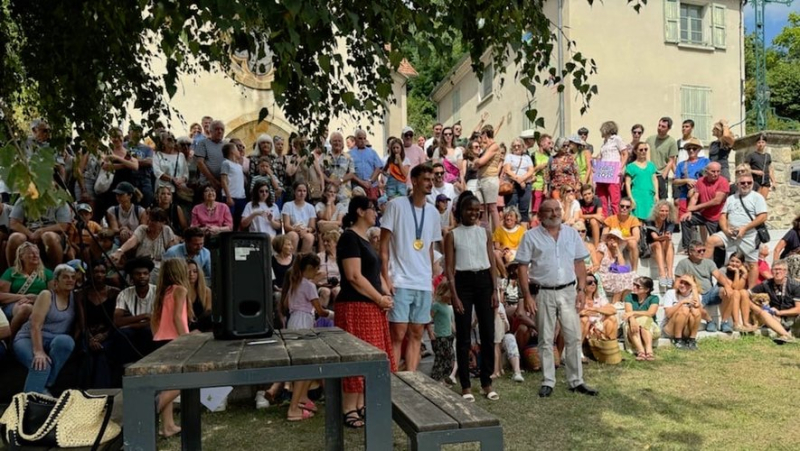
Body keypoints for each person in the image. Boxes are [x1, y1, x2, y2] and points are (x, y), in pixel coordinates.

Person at [514, 199, 597, 398]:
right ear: (540, 215)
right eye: (549, 211)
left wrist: (582, 290)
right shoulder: (530, 237)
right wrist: (527, 296)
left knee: (573, 336)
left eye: (557, 209)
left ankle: (576, 381)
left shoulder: (571, 233)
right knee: (545, 337)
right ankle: (548, 381)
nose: (554, 214)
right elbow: (522, 267)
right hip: (543, 291)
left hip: (569, 290)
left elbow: (579, 262)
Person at [335, 195, 395, 429]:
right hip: (355, 306)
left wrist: (384, 295)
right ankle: (348, 407)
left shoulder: (364, 239)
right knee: (358, 358)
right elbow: (354, 276)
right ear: (360, 211)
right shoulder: (349, 238)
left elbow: (373, 274)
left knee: (371, 358)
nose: (376, 213)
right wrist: (379, 297)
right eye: (372, 209)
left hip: (370, 306)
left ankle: (360, 404)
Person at [380, 164, 442, 372]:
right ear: (414, 181)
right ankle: (393, 385)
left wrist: (431, 281)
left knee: (417, 334)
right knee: (397, 334)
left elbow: (430, 250)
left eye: (432, 179)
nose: (430, 183)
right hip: (400, 280)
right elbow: (384, 246)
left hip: (422, 282)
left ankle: (412, 383)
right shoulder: (396, 206)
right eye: (426, 179)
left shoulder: (433, 212)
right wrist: (386, 278)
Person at [445, 191, 499, 400]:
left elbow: (492, 263)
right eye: (470, 210)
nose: (474, 214)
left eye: (477, 211)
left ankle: (486, 381)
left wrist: (495, 290)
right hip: (463, 283)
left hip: (484, 281)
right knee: (464, 335)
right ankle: (465, 385)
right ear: (461, 211)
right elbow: (449, 267)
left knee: (488, 332)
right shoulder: (452, 234)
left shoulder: (485, 233)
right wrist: (454, 294)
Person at [280, 253, 333, 422]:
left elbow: (287, 304)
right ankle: (293, 408)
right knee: (304, 366)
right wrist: (332, 315)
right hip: (303, 323)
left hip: (295, 321)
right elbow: (320, 311)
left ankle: (302, 397)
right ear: (310, 269)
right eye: (316, 269)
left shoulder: (294, 283)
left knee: (308, 363)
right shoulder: (308, 285)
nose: (317, 273)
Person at [13, 264, 78, 394]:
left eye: (72, 277)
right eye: (65, 277)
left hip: (55, 339)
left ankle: (46, 383)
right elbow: (35, 325)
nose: (70, 280)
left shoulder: (76, 297)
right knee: (41, 365)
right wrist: (38, 352)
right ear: (55, 282)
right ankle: (30, 404)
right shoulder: (46, 295)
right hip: (28, 338)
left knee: (67, 341)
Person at [150, 258, 191, 437]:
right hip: (175, 340)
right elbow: (177, 318)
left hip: (160, 339)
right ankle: (154, 406)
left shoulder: (162, 292)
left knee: (167, 383)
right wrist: (187, 339)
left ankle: (168, 426)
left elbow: (154, 320)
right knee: (184, 380)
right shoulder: (181, 290)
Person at [704, 173, 767, 289]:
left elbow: (762, 216)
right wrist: (725, 229)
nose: (746, 185)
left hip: (749, 234)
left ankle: (751, 291)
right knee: (711, 240)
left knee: (752, 263)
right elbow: (723, 216)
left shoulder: (757, 197)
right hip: (731, 233)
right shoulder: (731, 198)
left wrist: (745, 228)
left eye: (749, 183)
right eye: (743, 183)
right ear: (737, 184)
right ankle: (704, 278)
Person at [0, 242, 54, 338]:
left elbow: (54, 296)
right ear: (21, 256)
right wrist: (24, 296)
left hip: (39, 303)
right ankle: (9, 339)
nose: (35, 255)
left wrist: (37, 298)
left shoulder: (47, 273)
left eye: (37, 253)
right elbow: (2, 296)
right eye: (31, 253)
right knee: (26, 308)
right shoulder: (11, 272)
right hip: (14, 304)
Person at [111, 207, 179, 282]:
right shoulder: (142, 229)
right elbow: (132, 241)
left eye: (154, 221)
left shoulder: (166, 230)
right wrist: (120, 251)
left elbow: (172, 251)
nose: (150, 223)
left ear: (163, 222)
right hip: (141, 264)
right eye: (149, 219)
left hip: (160, 266)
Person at [676, 241, 730, 333]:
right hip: (695, 294)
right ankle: (710, 321)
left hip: (710, 292)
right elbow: (677, 282)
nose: (702, 253)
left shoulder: (709, 262)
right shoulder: (683, 263)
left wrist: (727, 286)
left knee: (729, 292)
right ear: (691, 252)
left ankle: (725, 322)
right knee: (695, 304)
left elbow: (719, 276)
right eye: (699, 251)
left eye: (703, 250)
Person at [113, 257, 157, 369]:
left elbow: (157, 321)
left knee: (148, 331)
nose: (142, 276)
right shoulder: (124, 294)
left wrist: (131, 324)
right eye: (138, 274)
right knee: (122, 334)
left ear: (149, 275)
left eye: (145, 273)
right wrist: (145, 316)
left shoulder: (157, 291)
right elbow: (117, 321)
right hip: (132, 331)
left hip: (150, 329)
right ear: (131, 277)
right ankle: (127, 367)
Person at [81, 261, 120, 388]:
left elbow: (116, 320)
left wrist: (104, 335)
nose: (99, 275)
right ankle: (85, 388)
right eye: (95, 272)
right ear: (89, 274)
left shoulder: (114, 292)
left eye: (102, 272)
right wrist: (90, 338)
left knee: (103, 352)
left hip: (109, 333)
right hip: (88, 333)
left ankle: (102, 389)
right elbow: (81, 322)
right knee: (87, 352)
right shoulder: (81, 294)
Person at [680, 162, 729, 253]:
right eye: (713, 171)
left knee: (719, 247)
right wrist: (689, 211)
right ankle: (687, 248)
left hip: (716, 217)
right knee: (685, 219)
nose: (716, 174)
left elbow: (716, 201)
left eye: (718, 171)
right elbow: (695, 197)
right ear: (706, 172)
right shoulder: (700, 181)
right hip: (703, 215)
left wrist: (695, 208)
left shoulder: (723, 181)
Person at [749, 260, 800, 342]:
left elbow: (798, 309)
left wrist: (780, 313)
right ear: (771, 271)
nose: (777, 272)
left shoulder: (795, 285)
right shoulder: (766, 284)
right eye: (775, 269)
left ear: (786, 272)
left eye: (780, 269)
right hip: (775, 318)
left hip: (794, 318)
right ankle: (786, 335)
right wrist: (756, 307)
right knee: (764, 313)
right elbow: (747, 294)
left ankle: (791, 333)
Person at [594, 229, 638, 305]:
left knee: (633, 276)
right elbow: (596, 263)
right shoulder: (602, 247)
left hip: (612, 274)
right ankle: (615, 302)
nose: (612, 239)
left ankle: (624, 301)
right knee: (620, 278)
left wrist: (617, 248)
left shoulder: (615, 250)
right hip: (602, 275)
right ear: (607, 239)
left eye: (615, 238)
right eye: (610, 237)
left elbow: (622, 265)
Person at [473, 125, 504, 231]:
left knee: (492, 207)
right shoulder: (486, 148)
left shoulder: (494, 147)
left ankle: (498, 238)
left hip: (490, 179)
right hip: (482, 179)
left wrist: (476, 161)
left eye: (481, 136)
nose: (480, 140)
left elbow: (480, 162)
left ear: (485, 135)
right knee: (482, 208)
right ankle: (486, 234)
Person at [660, 275, 702, 350]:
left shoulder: (696, 295)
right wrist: (681, 303)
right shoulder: (671, 293)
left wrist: (694, 286)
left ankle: (692, 340)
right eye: (681, 282)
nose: (682, 285)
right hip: (670, 328)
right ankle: (678, 340)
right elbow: (668, 314)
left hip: (685, 329)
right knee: (684, 309)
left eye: (687, 283)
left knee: (696, 311)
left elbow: (697, 305)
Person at [623, 277, 660, 361]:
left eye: (638, 286)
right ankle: (641, 351)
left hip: (650, 328)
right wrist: (632, 320)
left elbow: (651, 313)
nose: (634, 287)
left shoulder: (654, 298)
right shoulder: (629, 297)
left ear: (647, 289)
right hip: (632, 325)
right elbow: (628, 312)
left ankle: (648, 350)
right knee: (635, 323)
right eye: (634, 284)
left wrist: (633, 313)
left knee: (644, 320)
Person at [596, 121, 627, 216]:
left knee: (614, 198)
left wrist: (620, 168)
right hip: (603, 169)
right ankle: (605, 220)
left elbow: (625, 153)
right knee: (602, 198)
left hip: (613, 169)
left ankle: (617, 220)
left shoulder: (616, 139)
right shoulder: (604, 143)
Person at [673, 138, 709, 219]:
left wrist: (696, 186)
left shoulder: (705, 161)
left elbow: (710, 176)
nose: (691, 150)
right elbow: (675, 181)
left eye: (694, 148)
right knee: (683, 219)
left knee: (703, 219)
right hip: (685, 196)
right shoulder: (681, 164)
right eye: (689, 149)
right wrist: (687, 180)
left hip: (702, 194)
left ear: (699, 150)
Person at [579, 273, 618, 349]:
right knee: (585, 320)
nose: (593, 284)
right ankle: (579, 349)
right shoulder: (579, 299)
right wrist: (582, 313)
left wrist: (596, 309)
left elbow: (613, 310)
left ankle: (610, 347)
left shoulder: (599, 298)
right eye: (589, 282)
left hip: (598, 327)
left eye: (595, 282)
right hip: (585, 329)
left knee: (612, 318)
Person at [602, 198, 641, 271]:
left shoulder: (633, 219)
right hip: (613, 242)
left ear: (630, 209)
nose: (624, 208)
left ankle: (634, 271)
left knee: (633, 242)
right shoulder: (610, 219)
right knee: (606, 244)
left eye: (627, 207)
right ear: (618, 207)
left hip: (626, 243)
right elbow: (604, 237)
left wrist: (622, 238)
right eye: (622, 206)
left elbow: (637, 237)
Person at [503, 138, 534, 226]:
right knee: (510, 209)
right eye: (514, 146)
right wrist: (519, 181)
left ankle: (523, 234)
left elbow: (531, 171)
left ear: (523, 147)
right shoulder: (509, 156)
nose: (516, 148)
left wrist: (522, 179)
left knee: (524, 211)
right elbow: (507, 170)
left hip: (526, 185)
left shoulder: (527, 157)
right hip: (513, 186)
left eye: (518, 146)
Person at [646, 200, 678, 288]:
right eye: (662, 211)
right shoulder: (650, 220)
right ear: (657, 211)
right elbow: (655, 237)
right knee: (657, 243)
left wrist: (667, 236)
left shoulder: (670, 221)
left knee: (669, 243)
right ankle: (662, 273)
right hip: (650, 245)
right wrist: (665, 236)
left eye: (666, 211)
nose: (664, 213)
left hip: (663, 244)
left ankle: (670, 273)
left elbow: (668, 234)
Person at [645, 117, 678, 201]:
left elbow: (671, 161)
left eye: (663, 126)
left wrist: (664, 176)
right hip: (649, 174)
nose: (659, 128)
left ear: (668, 128)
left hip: (661, 175)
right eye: (659, 125)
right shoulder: (650, 139)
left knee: (661, 201)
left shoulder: (671, 142)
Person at [721, 251, 755, 332]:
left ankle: (745, 322)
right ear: (729, 261)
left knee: (744, 292)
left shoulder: (743, 271)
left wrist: (745, 274)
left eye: (737, 262)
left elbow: (740, 288)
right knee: (735, 293)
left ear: (742, 264)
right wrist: (736, 272)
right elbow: (735, 288)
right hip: (724, 294)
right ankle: (736, 323)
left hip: (735, 293)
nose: (734, 264)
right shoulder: (723, 270)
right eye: (732, 261)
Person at [429, 280, 455, 384]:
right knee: (440, 358)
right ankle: (436, 378)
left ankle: (444, 377)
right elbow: (429, 318)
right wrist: (430, 332)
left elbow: (450, 322)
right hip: (439, 336)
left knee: (449, 357)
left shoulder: (448, 307)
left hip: (448, 335)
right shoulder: (436, 305)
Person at [625, 142, 658, 221]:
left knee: (650, 219)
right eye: (641, 150)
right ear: (636, 151)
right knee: (637, 221)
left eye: (645, 149)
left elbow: (654, 180)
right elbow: (627, 183)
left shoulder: (651, 165)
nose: (643, 151)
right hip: (637, 196)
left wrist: (656, 194)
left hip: (649, 196)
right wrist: (631, 198)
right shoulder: (631, 166)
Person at [125, 125, 156, 208]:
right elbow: (123, 160)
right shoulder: (124, 146)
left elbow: (149, 162)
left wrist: (131, 161)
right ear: (129, 133)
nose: (137, 133)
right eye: (134, 131)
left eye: (139, 131)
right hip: (129, 179)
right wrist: (141, 162)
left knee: (146, 204)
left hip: (144, 180)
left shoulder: (147, 149)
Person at [282, 181, 317, 253]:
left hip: (305, 231)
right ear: (294, 192)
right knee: (293, 235)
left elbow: (312, 227)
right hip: (292, 230)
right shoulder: (288, 205)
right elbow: (286, 225)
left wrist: (306, 231)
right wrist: (295, 229)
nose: (302, 193)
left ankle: (302, 261)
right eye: (299, 191)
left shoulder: (310, 207)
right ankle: (291, 260)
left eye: (304, 191)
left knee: (309, 237)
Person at [152, 131, 189, 197]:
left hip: (179, 190)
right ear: (162, 142)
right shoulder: (157, 155)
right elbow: (157, 172)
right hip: (163, 190)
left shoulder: (180, 155)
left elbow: (186, 174)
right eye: (169, 139)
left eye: (173, 139)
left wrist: (180, 181)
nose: (172, 141)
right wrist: (172, 179)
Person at [349, 129, 383, 199]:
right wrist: (362, 182)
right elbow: (350, 172)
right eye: (360, 138)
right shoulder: (350, 154)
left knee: (371, 207)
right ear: (355, 139)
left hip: (372, 186)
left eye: (364, 138)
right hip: (357, 187)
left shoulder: (372, 152)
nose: (362, 140)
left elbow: (378, 168)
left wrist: (370, 181)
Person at [220, 142, 248, 228]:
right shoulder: (226, 163)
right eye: (236, 149)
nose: (239, 151)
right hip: (230, 197)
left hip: (241, 197)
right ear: (232, 151)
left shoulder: (239, 166)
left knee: (238, 221)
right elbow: (223, 180)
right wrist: (228, 197)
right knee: (229, 221)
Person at [194, 120, 226, 193]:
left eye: (222, 129)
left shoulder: (225, 145)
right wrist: (213, 180)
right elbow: (200, 163)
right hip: (207, 184)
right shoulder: (203, 143)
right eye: (217, 129)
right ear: (210, 131)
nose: (220, 131)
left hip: (222, 185)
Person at [315, 230, 342, 309]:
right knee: (325, 292)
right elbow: (312, 275)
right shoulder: (319, 257)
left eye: (328, 241)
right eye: (324, 241)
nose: (325, 243)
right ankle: (320, 317)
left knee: (337, 291)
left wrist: (340, 283)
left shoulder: (342, 257)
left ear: (336, 243)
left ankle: (338, 316)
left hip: (339, 285)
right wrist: (320, 282)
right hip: (322, 285)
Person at [548, 137, 579, 202]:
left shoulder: (571, 158)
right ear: (559, 145)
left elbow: (576, 173)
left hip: (569, 188)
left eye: (567, 145)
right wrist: (546, 188)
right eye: (564, 145)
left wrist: (577, 185)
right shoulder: (552, 159)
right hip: (556, 188)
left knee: (569, 207)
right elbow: (547, 174)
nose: (566, 147)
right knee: (558, 207)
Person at [187, 259, 212, 332]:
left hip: (202, 327)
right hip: (186, 326)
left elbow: (208, 312)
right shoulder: (180, 291)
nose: (191, 274)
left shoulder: (206, 291)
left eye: (195, 272)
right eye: (188, 271)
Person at [773, 214, 800, 281]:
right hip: (788, 261)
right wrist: (776, 266)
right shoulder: (792, 233)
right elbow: (777, 249)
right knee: (796, 258)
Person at [748, 134, 775, 200]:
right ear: (756, 144)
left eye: (763, 142)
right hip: (755, 182)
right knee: (755, 201)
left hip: (765, 182)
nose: (761, 144)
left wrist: (773, 181)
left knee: (763, 202)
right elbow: (745, 168)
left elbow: (770, 169)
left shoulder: (767, 156)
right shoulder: (751, 155)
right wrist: (755, 171)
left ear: (765, 143)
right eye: (759, 142)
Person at [530, 134, 552, 215]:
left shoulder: (549, 157)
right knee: (535, 211)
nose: (551, 145)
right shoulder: (533, 155)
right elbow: (529, 171)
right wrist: (538, 167)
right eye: (548, 143)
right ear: (542, 143)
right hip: (536, 186)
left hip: (546, 188)